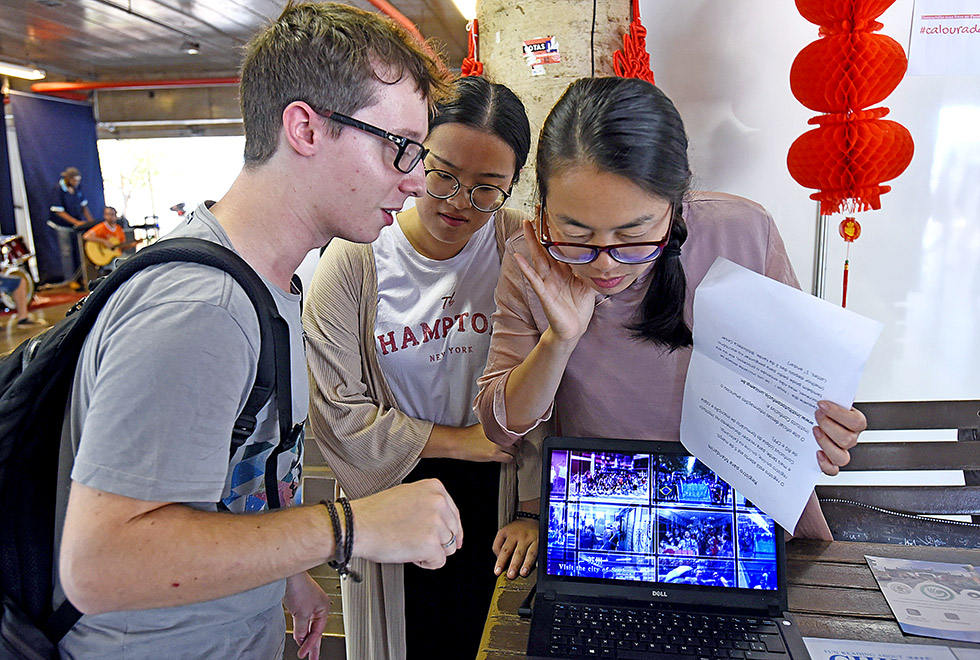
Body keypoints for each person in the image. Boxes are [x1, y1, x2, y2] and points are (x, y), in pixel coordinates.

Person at [57, 4, 464, 659]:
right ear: (305, 127)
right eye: (400, 147)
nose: (416, 181)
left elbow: (224, 487)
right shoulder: (204, 307)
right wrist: (345, 526)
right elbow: (99, 565)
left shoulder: (268, 285)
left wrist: (278, 573)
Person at [474, 77, 868, 541]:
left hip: (743, 517)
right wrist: (558, 341)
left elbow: (794, 386)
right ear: (541, 209)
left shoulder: (741, 233)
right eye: (577, 235)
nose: (605, 263)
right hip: (608, 517)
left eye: (633, 235)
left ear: (676, 207)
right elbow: (501, 425)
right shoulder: (533, 259)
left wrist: (824, 429)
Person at [302, 75, 537, 660]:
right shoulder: (353, 260)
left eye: (488, 188)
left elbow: (553, 382)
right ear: (415, 156)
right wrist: (463, 443)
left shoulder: (520, 248)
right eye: (444, 175)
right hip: (392, 487)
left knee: (493, 638)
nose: (460, 202)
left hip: (505, 488)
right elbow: (337, 417)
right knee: (408, 641)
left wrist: (534, 508)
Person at [48, 166, 97, 287]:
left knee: (79, 251)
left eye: (78, 180)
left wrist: (91, 222)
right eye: (74, 180)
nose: (77, 183)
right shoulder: (58, 189)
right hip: (63, 226)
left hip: (77, 227)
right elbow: (59, 211)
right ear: (68, 179)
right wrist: (76, 222)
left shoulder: (77, 188)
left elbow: (83, 206)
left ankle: (82, 278)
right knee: (67, 252)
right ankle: (71, 280)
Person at [82, 206, 137, 274]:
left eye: (111, 214)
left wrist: (131, 245)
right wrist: (103, 241)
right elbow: (86, 236)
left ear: (115, 216)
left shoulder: (119, 229)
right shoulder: (101, 227)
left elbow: (121, 246)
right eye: (107, 214)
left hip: (117, 255)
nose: (109, 217)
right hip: (107, 258)